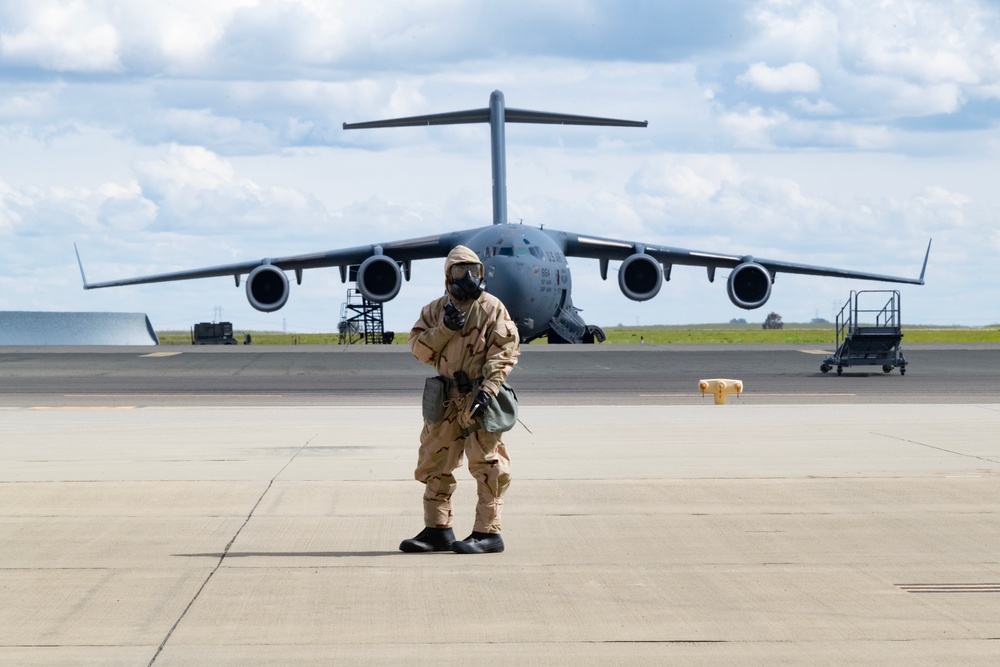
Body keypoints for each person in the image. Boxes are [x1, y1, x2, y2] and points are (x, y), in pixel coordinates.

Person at [401, 245, 520, 554]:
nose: (467, 278)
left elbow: (504, 352)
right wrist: (445, 329)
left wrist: (489, 390)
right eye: (459, 272)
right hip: (445, 398)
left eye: (474, 272)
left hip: (480, 395)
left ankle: (487, 532)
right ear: (447, 276)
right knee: (434, 461)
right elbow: (419, 350)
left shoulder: (492, 308)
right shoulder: (435, 311)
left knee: (488, 464)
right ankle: (437, 529)